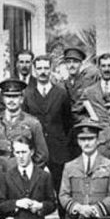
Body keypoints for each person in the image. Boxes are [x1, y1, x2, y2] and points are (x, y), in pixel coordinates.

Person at [22, 55, 76, 197]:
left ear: (51, 69)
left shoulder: (61, 93)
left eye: (46, 68)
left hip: (58, 151)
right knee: (35, 191)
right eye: (39, 68)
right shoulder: (27, 94)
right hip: (36, 152)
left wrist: (63, 144)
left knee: (62, 190)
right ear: (34, 70)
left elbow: (68, 122)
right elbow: (25, 123)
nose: (43, 72)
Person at [0, 78, 49, 168]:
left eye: (15, 96)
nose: (11, 100)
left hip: (21, 172)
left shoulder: (33, 123)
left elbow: (42, 154)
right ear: (3, 98)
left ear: (22, 99)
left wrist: (29, 171)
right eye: (8, 96)